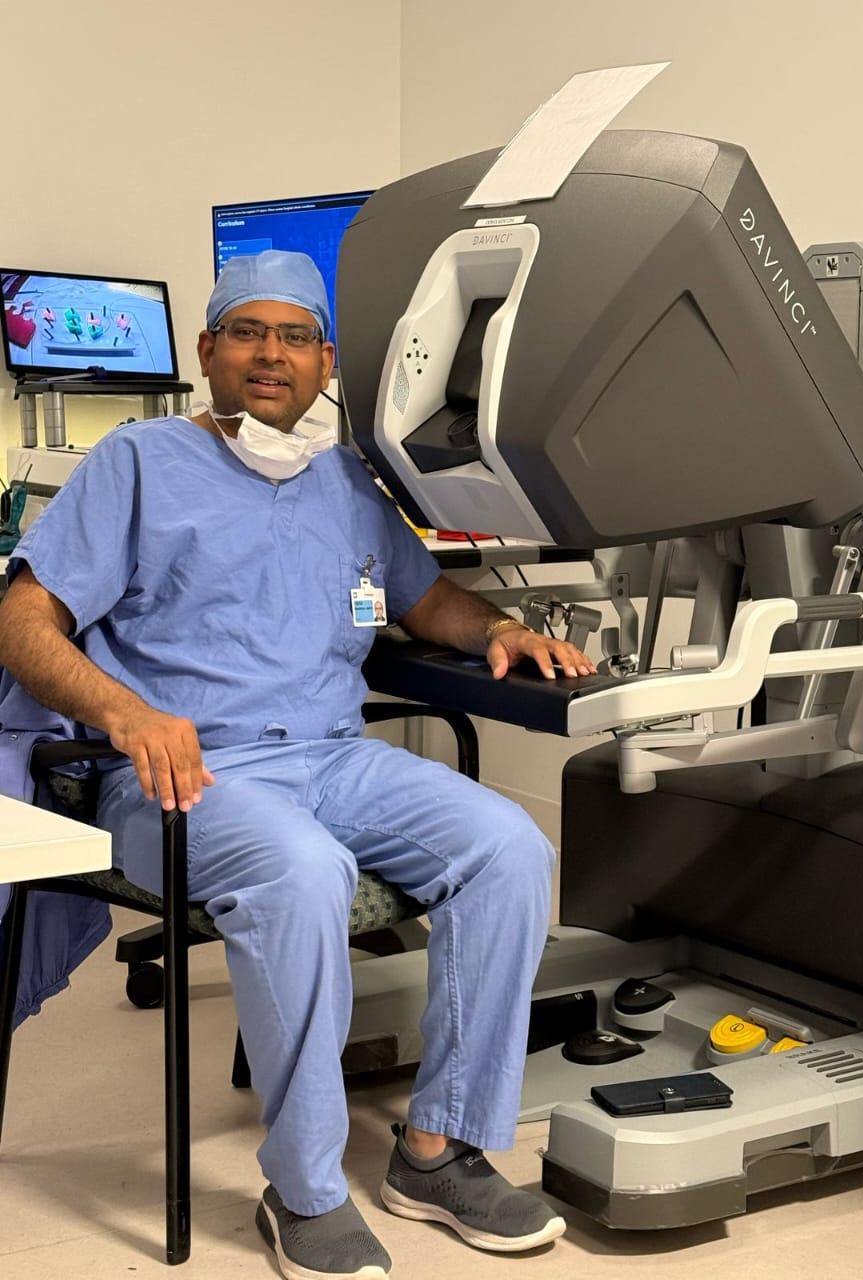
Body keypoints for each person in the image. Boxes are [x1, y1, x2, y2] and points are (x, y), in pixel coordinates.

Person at [0, 250, 597, 1280]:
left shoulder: (347, 482)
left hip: (331, 757)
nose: (270, 354)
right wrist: (128, 713)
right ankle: (306, 1188)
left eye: (295, 337)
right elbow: (23, 622)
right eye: (247, 332)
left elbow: (420, 600)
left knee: (509, 846)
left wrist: (500, 628)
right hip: (182, 775)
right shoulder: (138, 462)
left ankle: (437, 1152)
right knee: (303, 869)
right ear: (208, 351)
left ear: (326, 362)